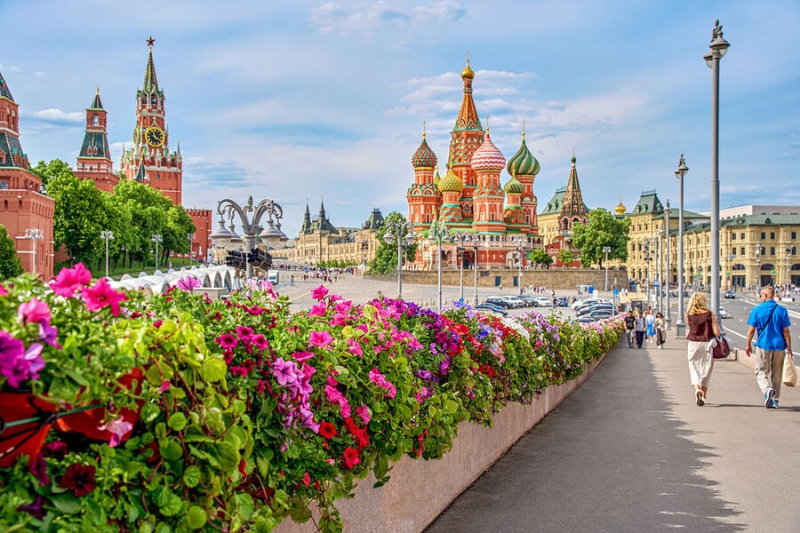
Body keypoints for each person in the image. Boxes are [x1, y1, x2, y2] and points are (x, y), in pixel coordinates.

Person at [745, 286, 793, 409]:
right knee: (776, 374)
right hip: (779, 346)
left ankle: (767, 390)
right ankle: (775, 400)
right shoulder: (782, 310)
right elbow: (786, 331)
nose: (761, 297)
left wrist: (748, 345)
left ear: (766, 296)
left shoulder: (757, 310)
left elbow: (751, 330)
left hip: (763, 345)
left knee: (761, 371)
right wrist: (789, 349)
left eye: (761, 295)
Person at [686, 292, 721, 406]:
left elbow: (689, 326)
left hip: (693, 343)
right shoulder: (709, 314)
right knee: (707, 368)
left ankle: (697, 390)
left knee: (693, 367)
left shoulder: (689, 314)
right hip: (707, 343)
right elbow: (717, 332)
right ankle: (704, 396)